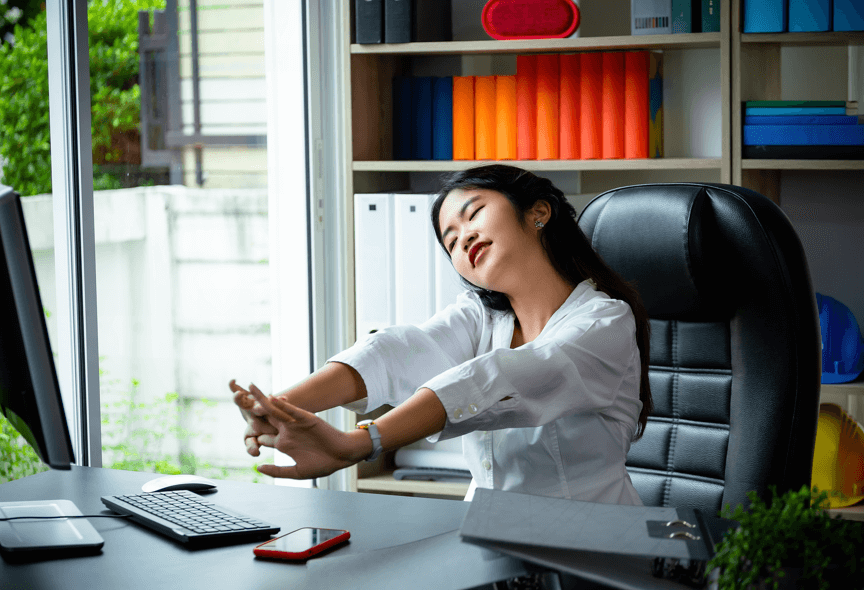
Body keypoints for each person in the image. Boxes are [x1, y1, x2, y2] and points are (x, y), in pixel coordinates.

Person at [231, 164, 653, 505]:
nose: (463, 237)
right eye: (450, 242)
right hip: (490, 536)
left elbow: (499, 377)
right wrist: (280, 406)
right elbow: (395, 352)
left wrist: (359, 443)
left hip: (591, 546)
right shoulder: (482, 317)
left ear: (538, 212)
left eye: (474, 213)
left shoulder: (605, 322)